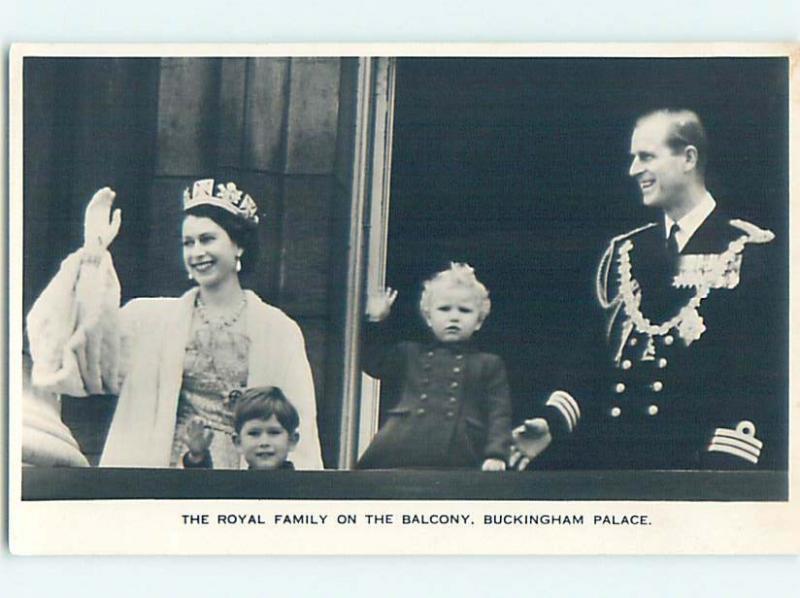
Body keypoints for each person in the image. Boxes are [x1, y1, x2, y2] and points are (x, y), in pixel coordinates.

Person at [511, 109, 786, 471]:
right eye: (633, 158)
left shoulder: (751, 252)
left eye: (646, 157)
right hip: (617, 462)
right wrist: (551, 422)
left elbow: (759, 373)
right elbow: (592, 357)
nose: (634, 170)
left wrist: (724, 470)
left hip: (698, 466)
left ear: (688, 158)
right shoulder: (626, 252)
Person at [26, 179, 323, 469]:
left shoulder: (278, 330)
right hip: (168, 469)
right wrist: (92, 257)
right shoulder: (149, 320)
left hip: (244, 476)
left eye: (207, 239)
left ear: (238, 246)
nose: (197, 253)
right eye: (188, 243)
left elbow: (300, 426)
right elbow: (85, 348)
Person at [357, 263, 512, 470]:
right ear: (429, 318)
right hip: (402, 444)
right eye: (444, 309)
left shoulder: (488, 364)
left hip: (461, 450)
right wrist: (376, 320)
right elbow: (374, 363)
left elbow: (498, 413)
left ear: (479, 322)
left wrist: (496, 454)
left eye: (464, 310)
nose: (454, 317)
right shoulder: (409, 353)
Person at [183, 386, 300, 470]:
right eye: (254, 433)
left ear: (292, 440)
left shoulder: (303, 489)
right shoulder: (234, 487)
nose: (264, 443)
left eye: (274, 432)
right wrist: (197, 457)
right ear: (238, 442)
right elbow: (205, 494)